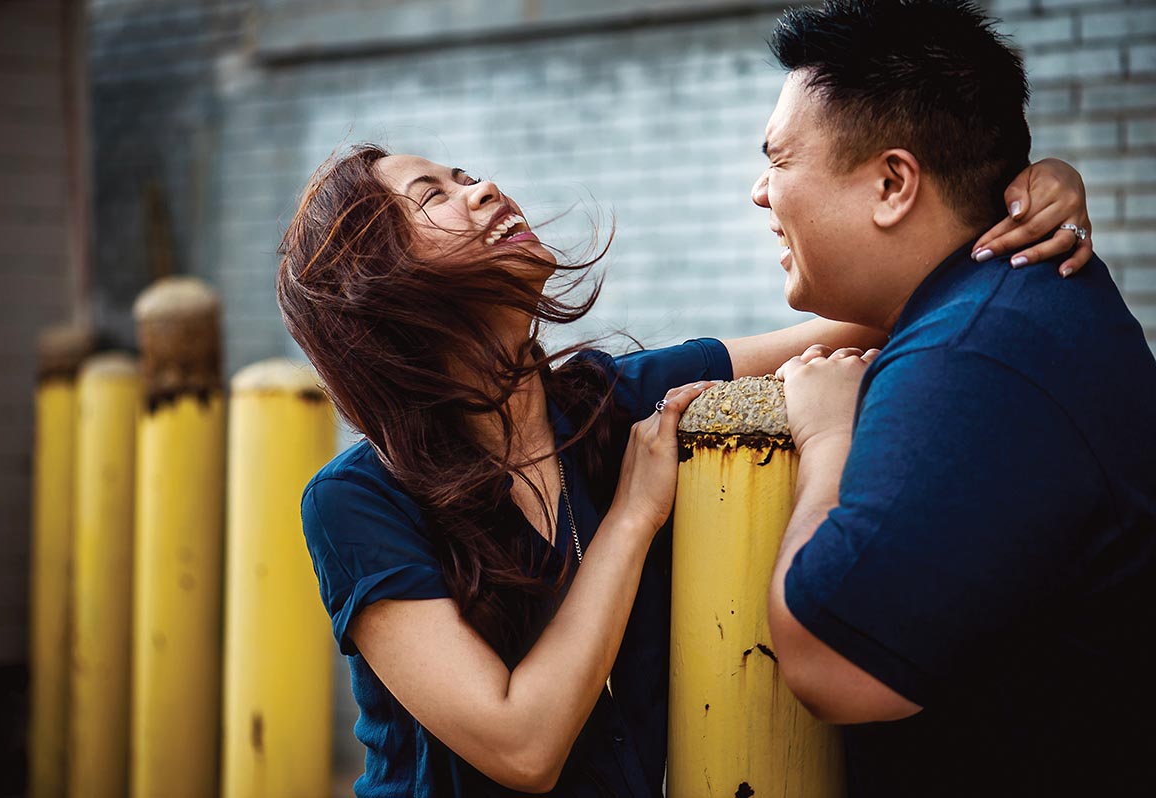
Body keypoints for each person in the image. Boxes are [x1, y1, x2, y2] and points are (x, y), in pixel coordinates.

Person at [276, 135, 1090, 792]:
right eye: (434, 196)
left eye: (467, 175)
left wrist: (1018, 202)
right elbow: (521, 746)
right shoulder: (356, 503)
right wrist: (635, 514)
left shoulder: (607, 399)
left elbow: (870, 320)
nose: (484, 188)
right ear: (374, 285)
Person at [756, 1, 1156, 796]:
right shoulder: (1002, 305)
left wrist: (830, 432)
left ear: (894, 183)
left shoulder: (971, 352)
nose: (761, 194)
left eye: (778, 160)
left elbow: (829, 659)